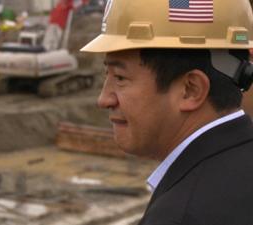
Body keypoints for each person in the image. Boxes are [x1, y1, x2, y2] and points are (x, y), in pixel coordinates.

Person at [81, 0, 253, 224]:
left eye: (120, 78)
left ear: (191, 90)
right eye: (107, 76)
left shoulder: (183, 215)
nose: (104, 99)